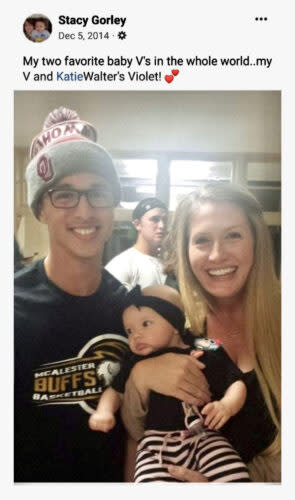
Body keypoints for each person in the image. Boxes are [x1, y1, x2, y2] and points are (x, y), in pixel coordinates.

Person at [121, 182, 281, 482]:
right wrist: (141, 376)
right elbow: (137, 440)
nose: (217, 254)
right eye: (202, 240)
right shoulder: (176, 327)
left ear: (256, 241)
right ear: (185, 252)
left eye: (233, 235)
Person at [14, 106, 130, 482]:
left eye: (98, 193)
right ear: (40, 209)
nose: (84, 210)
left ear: (113, 205)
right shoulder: (12, 308)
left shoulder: (133, 310)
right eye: (64, 195)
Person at [89, 284, 250, 482]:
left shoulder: (205, 345)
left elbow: (236, 382)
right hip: (156, 445)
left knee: (234, 475)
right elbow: (114, 392)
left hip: (205, 437)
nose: (135, 335)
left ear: (175, 325)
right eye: (129, 331)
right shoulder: (134, 360)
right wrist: (103, 411)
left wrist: (227, 405)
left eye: (146, 324)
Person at [105, 197, 168, 289]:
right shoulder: (122, 264)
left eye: (165, 220)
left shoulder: (168, 264)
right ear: (137, 224)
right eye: (155, 219)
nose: (162, 225)